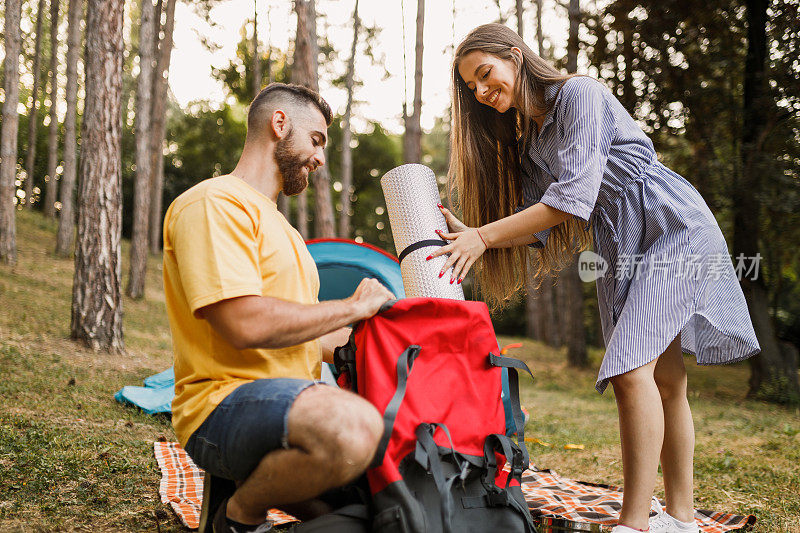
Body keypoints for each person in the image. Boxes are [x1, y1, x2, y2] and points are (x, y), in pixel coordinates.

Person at [428, 23, 760, 533]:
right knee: (666, 380)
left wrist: (484, 237)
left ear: (515, 57)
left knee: (631, 373)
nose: (480, 91)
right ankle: (683, 519)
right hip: (620, 241)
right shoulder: (534, 138)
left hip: (669, 224)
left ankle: (633, 524)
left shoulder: (579, 94)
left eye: (485, 74)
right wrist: (474, 233)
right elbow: (539, 227)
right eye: (471, 87)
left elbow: (570, 200)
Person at [162, 83, 394, 533]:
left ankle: (268, 495)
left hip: (288, 406)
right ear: (280, 124)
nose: (320, 158)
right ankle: (238, 516)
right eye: (317, 140)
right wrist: (350, 306)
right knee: (355, 428)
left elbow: (311, 334)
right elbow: (245, 324)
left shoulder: (286, 233)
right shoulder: (215, 203)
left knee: (380, 501)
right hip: (221, 406)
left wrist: (391, 340)